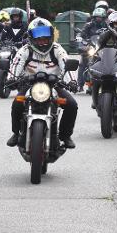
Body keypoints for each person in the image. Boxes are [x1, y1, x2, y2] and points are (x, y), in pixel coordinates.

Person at [8, 18, 78, 149]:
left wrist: (72, 81)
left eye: (45, 37)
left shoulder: (58, 49)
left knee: (72, 105)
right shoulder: (24, 50)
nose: (42, 40)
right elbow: (16, 64)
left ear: (51, 35)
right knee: (17, 103)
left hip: (54, 85)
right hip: (29, 84)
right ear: (31, 37)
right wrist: (11, 78)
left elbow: (66, 64)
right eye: (38, 38)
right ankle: (16, 134)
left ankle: (65, 136)